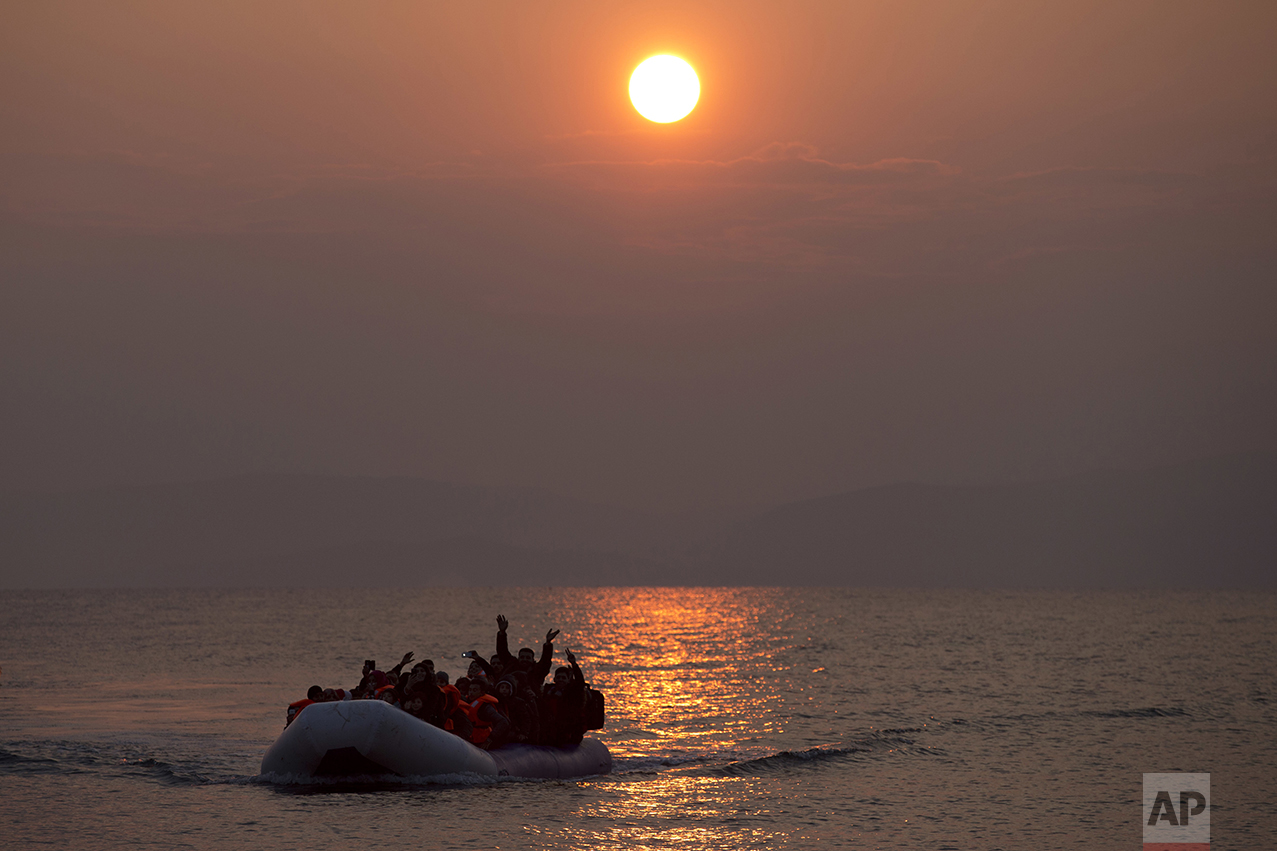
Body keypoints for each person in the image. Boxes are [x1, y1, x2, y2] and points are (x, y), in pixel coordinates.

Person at [495, 615, 559, 687]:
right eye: (522, 657)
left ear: (533, 660)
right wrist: (502, 633)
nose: (525, 659)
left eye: (528, 658)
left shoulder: (537, 670)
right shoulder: (511, 665)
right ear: (518, 658)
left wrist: (548, 643)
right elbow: (502, 650)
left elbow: (546, 660)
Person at [540, 648, 586, 746]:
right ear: (554, 679)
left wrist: (574, 664)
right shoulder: (548, 691)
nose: (560, 680)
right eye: (558, 677)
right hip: (550, 727)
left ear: (568, 680)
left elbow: (580, 683)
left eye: (563, 678)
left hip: (566, 729)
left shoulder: (572, 693)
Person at [466, 678, 511, 750]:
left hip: (481, 742)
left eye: (475, 690)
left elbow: (503, 722)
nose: (471, 693)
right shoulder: (466, 701)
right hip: (468, 739)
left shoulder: (485, 707)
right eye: (470, 690)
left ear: (482, 693)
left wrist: (490, 738)